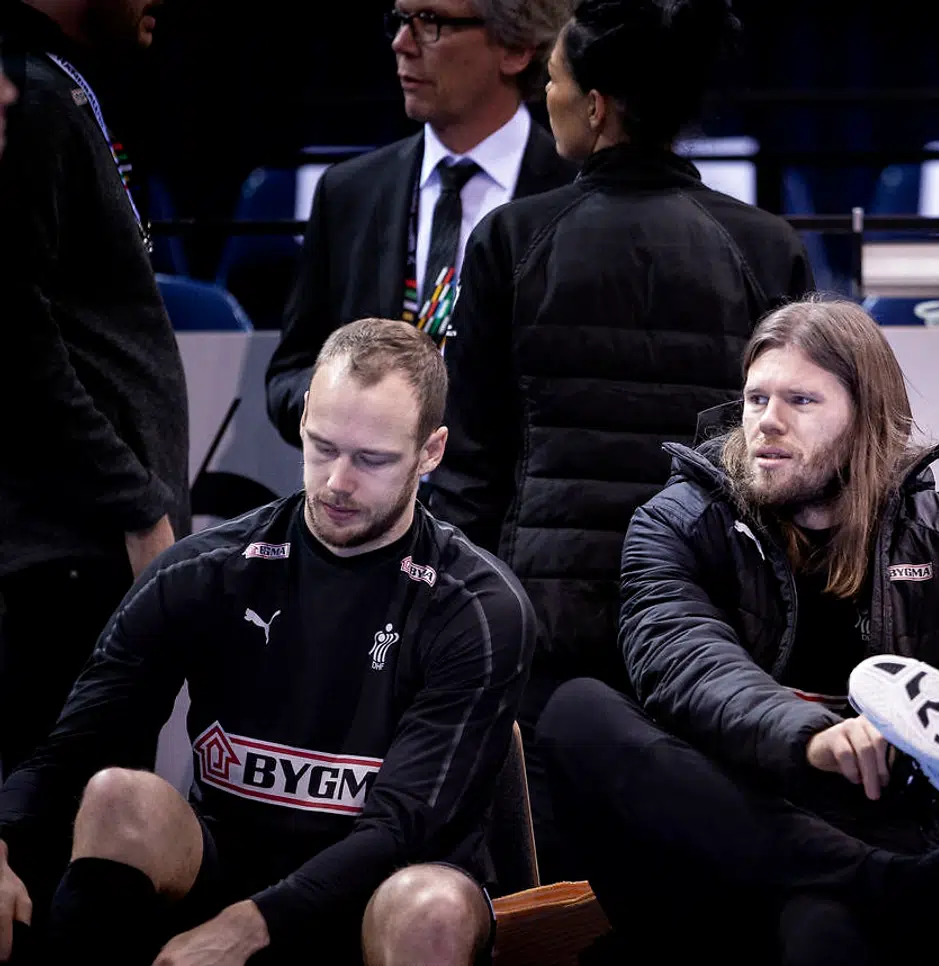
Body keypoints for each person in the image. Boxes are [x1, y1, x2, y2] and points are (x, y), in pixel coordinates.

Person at [536, 299, 939, 964]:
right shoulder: (677, 521)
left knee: (823, 932)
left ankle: (864, 875)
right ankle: (864, 878)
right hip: (731, 818)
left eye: (800, 400)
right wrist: (813, 738)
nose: (768, 421)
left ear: (864, 417)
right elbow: (683, 659)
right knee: (576, 713)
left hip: (884, 818)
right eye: (756, 398)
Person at [0, 319, 535, 966]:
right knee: (119, 797)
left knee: (431, 907)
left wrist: (247, 928)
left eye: (372, 459)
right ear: (304, 413)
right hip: (232, 867)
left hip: (383, 894)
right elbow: (76, 745)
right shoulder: (207, 569)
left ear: (431, 451)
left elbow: (400, 830)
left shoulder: (476, 606)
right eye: (322, 446)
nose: (338, 481)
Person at [426, 0, 814, 882]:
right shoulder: (764, 245)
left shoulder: (511, 240)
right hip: (712, 637)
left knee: (558, 904)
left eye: (554, 84)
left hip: (543, 643)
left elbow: (469, 467)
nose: (547, 100)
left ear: (596, 106)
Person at [0, 0, 188, 780]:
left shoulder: (54, 88)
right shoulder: (29, 101)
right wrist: (136, 504)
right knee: (72, 829)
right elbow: (15, 340)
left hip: (82, 546)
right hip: (68, 554)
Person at [264, 0, 577, 446]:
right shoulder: (350, 192)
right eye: (399, 19)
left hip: (512, 506)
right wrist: (341, 411)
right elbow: (289, 373)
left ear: (516, 47)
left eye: (431, 22)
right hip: (369, 502)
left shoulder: (577, 196)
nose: (401, 43)